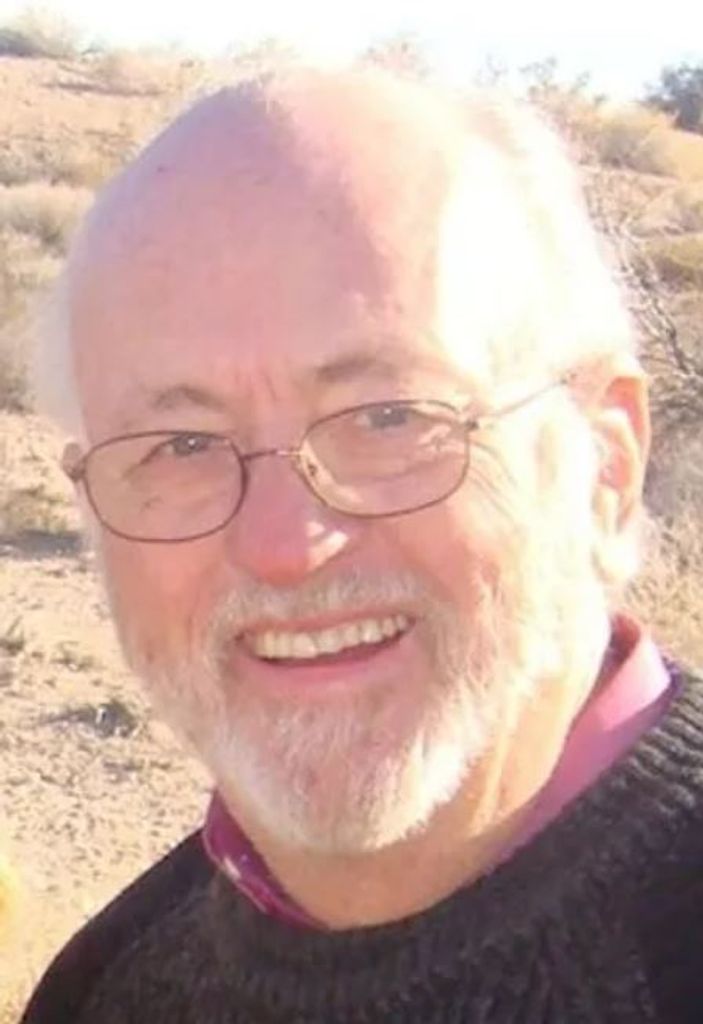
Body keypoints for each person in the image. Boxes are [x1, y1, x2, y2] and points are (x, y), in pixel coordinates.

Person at [21, 65, 703, 1024]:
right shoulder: (112, 987)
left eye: (387, 417)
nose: (283, 547)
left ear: (605, 463)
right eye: (180, 445)